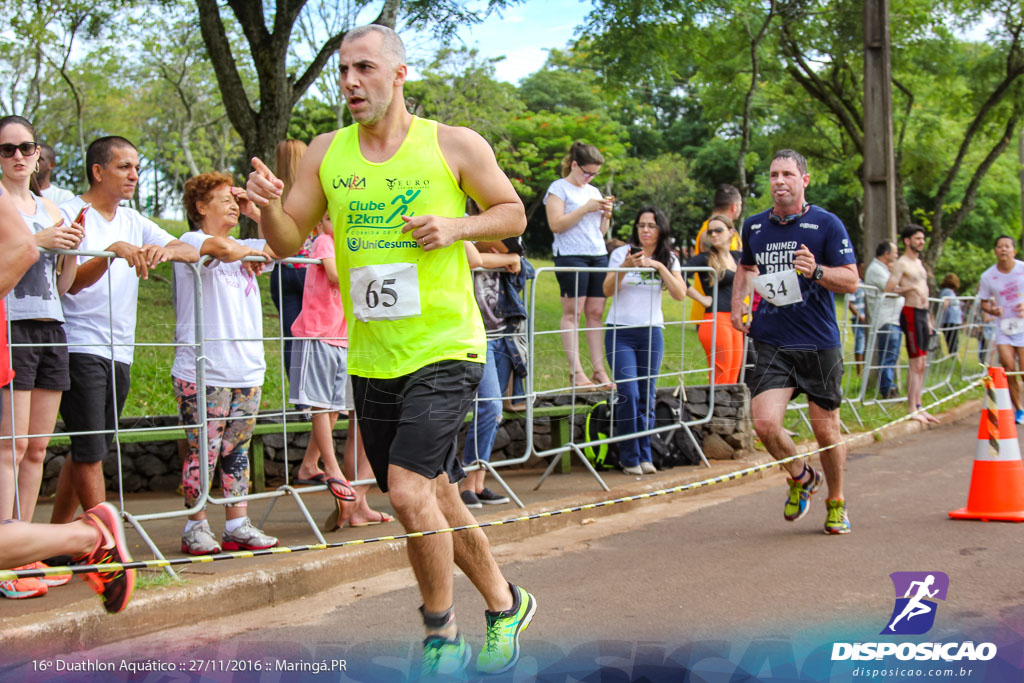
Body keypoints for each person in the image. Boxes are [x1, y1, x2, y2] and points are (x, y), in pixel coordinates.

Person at [245, 25, 535, 677]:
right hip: (372, 355)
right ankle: (506, 601)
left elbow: (513, 212)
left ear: (399, 74)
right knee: (433, 493)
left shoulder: (453, 145)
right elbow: (290, 239)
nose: (350, 81)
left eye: (365, 68)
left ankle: (440, 634)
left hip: (445, 346)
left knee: (406, 493)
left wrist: (459, 224)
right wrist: (266, 210)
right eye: (343, 70)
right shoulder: (326, 153)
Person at [51, 136, 198, 526]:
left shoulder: (133, 220)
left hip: (120, 350)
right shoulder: (69, 214)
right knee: (90, 450)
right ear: (98, 171)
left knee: (90, 446)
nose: (134, 175)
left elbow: (189, 250)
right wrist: (113, 251)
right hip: (79, 344)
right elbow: (72, 283)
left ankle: (59, 537)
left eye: (136, 167)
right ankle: (104, 544)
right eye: (124, 167)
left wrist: (163, 251)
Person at [730, 149, 858, 535]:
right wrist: (737, 304)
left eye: (787, 174)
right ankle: (802, 477)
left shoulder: (826, 224)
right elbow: (745, 266)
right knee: (765, 424)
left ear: (804, 180)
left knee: (826, 431)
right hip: (771, 339)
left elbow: (851, 280)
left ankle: (836, 501)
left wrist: (816, 270)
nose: (779, 181)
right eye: (773, 175)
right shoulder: (753, 227)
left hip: (818, 341)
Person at [173, 172, 280, 555]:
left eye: (236, 200)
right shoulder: (192, 241)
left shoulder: (247, 244)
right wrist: (248, 253)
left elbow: (282, 246)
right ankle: (195, 526)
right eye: (225, 199)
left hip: (247, 368)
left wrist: (256, 211)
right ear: (201, 207)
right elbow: (220, 251)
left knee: (238, 450)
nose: (233, 205)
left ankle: (237, 524)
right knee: (203, 448)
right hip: (203, 368)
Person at [0, 116, 84, 536]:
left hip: (52, 326)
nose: (18, 156)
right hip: (11, 325)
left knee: (36, 449)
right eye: (7, 149)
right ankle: (7, 546)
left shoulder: (52, 209)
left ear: (38, 155)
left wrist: (72, 250)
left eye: (26, 147)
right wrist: (40, 242)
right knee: (10, 446)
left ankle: (24, 543)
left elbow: (63, 285)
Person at [288, 213, 393, 530]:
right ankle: (331, 469)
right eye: (331, 218)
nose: (338, 224)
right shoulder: (325, 242)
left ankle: (353, 498)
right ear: (320, 223)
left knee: (345, 411)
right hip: (318, 334)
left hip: (345, 337)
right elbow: (334, 276)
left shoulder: (347, 245)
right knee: (322, 405)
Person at [603, 206, 685, 475]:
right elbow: (606, 290)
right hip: (620, 331)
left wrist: (659, 266)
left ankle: (645, 454)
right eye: (641, 225)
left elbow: (680, 294)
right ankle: (629, 457)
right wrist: (625, 267)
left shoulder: (669, 259)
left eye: (651, 225)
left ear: (661, 229)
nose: (646, 230)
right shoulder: (620, 253)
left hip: (651, 332)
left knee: (646, 397)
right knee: (629, 393)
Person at [544, 141, 615, 390]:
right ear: (574, 164)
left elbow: (601, 231)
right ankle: (576, 372)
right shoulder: (558, 188)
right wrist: (585, 209)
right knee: (573, 313)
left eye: (594, 174)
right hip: (570, 255)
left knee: (595, 314)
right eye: (587, 172)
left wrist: (606, 215)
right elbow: (556, 224)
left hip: (597, 254)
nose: (590, 177)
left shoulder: (594, 191)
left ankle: (599, 370)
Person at [459, 239, 524, 508]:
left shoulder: (508, 237)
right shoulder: (463, 231)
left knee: (493, 412)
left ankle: (477, 481)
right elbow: (474, 258)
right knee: (488, 406)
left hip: (502, 338)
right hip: (474, 338)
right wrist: (504, 258)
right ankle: (463, 482)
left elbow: (521, 265)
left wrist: (509, 258)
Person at [886, 225, 939, 424]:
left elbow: (924, 289)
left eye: (923, 239)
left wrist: (929, 318)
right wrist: (910, 289)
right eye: (918, 239)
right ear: (907, 241)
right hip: (910, 313)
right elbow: (889, 288)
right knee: (915, 362)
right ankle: (911, 408)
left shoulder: (919, 262)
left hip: (923, 314)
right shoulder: (902, 263)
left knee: (922, 363)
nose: (921, 242)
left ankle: (919, 405)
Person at [269, 139, 310, 389]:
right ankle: (318, 397)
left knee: (291, 337)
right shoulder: (312, 192)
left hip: (282, 270)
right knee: (317, 335)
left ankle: (299, 399)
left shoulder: (275, 194)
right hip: (310, 269)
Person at [683, 214, 744, 384]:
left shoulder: (739, 257)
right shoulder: (705, 258)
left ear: (731, 232)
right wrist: (701, 299)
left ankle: (728, 411)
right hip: (715, 321)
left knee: (733, 377)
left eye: (718, 230)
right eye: (710, 232)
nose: (714, 235)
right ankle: (716, 410)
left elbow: (754, 275)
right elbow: (678, 273)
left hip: (735, 321)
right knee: (720, 377)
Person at [977, 235, 1024, 424]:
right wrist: (993, 309)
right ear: (995, 251)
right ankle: (1019, 409)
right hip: (1004, 327)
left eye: (1007, 246)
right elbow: (984, 303)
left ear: (1014, 250)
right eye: (999, 247)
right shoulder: (988, 276)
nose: (1003, 250)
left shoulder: (1022, 269)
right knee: (1008, 366)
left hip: (1022, 325)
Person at [689, 184, 743, 322]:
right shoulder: (712, 234)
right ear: (734, 206)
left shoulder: (728, 232)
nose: (714, 234)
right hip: (715, 315)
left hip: (734, 313)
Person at [864, 240, 903, 399]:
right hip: (885, 319)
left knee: (892, 355)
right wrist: (908, 289)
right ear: (886, 254)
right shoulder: (876, 270)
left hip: (892, 319)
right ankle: (888, 390)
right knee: (888, 355)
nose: (897, 255)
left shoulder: (883, 269)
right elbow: (891, 289)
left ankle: (890, 387)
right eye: (895, 252)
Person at [847, 264, 867, 375]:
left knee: (865, 345)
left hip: (865, 320)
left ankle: (864, 370)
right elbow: (849, 303)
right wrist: (860, 316)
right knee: (860, 344)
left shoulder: (865, 283)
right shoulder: (856, 282)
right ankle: (860, 373)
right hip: (858, 320)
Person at [938, 273, 963, 355]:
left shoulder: (950, 292)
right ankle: (953, 358)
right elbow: (945, 304)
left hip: (953, 320)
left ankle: (954, 358)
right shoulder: (947, 292)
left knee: (954, 341)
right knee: (952, 342)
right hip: (950, 320)